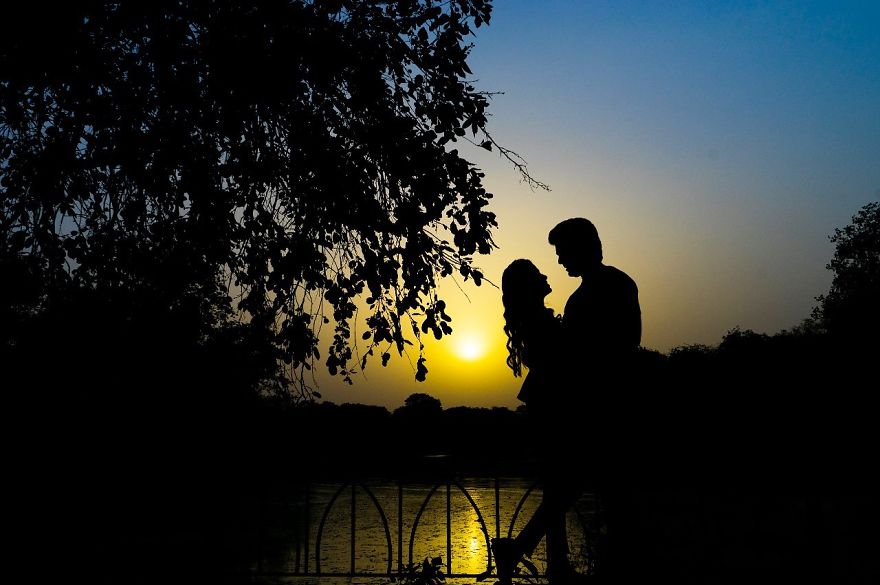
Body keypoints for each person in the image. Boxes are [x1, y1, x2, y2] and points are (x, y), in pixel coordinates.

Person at [493, 218, 642, 584]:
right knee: (587, 489)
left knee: (576, 487)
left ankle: (534, 556)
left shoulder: (595, 294)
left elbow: (590, 356)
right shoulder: (605, 289)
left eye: (562, 252)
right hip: (593, 409)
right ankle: (564, 562)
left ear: (583, 247)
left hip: (593, 408)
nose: (559, 261)